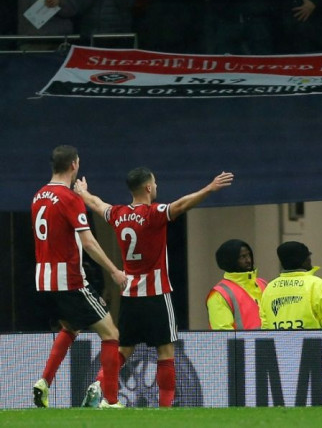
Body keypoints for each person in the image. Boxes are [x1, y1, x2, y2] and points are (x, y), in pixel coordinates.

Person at [75, 168, 234, 408]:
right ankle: (165, 407)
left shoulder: (118, 214)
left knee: (125, 349)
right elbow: (181, 205)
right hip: (156, 294)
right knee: (166, 351)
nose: (157, 186)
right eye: (155, 183)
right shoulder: (155, 213)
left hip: (129, 295)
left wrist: (83, 193)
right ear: (148, 187)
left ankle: (99, 383)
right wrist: (209, 188)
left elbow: (97, 205)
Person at [31, 145, 127, 409]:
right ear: (74, 165)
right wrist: (114, 270)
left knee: (70, 328)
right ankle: (110, 399)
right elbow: (89, 243)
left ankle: (44, 382)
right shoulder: (69, 199)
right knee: (111, 334)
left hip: (43, 281)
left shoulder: (39, 196)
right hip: (69, 281)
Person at [259, 241, 322, 329]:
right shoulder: (318, 286)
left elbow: (266, 328)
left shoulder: (269, 289)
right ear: (305, 260)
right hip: (313, 345)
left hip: (281, 345)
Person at [207, 239, 267, 330]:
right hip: (243, 344)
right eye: (242, 257)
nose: (248, 260)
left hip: (273, 342)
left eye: (249, 255)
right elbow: (223, 332)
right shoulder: (219, 294)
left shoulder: (263, 284)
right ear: (230, 260)